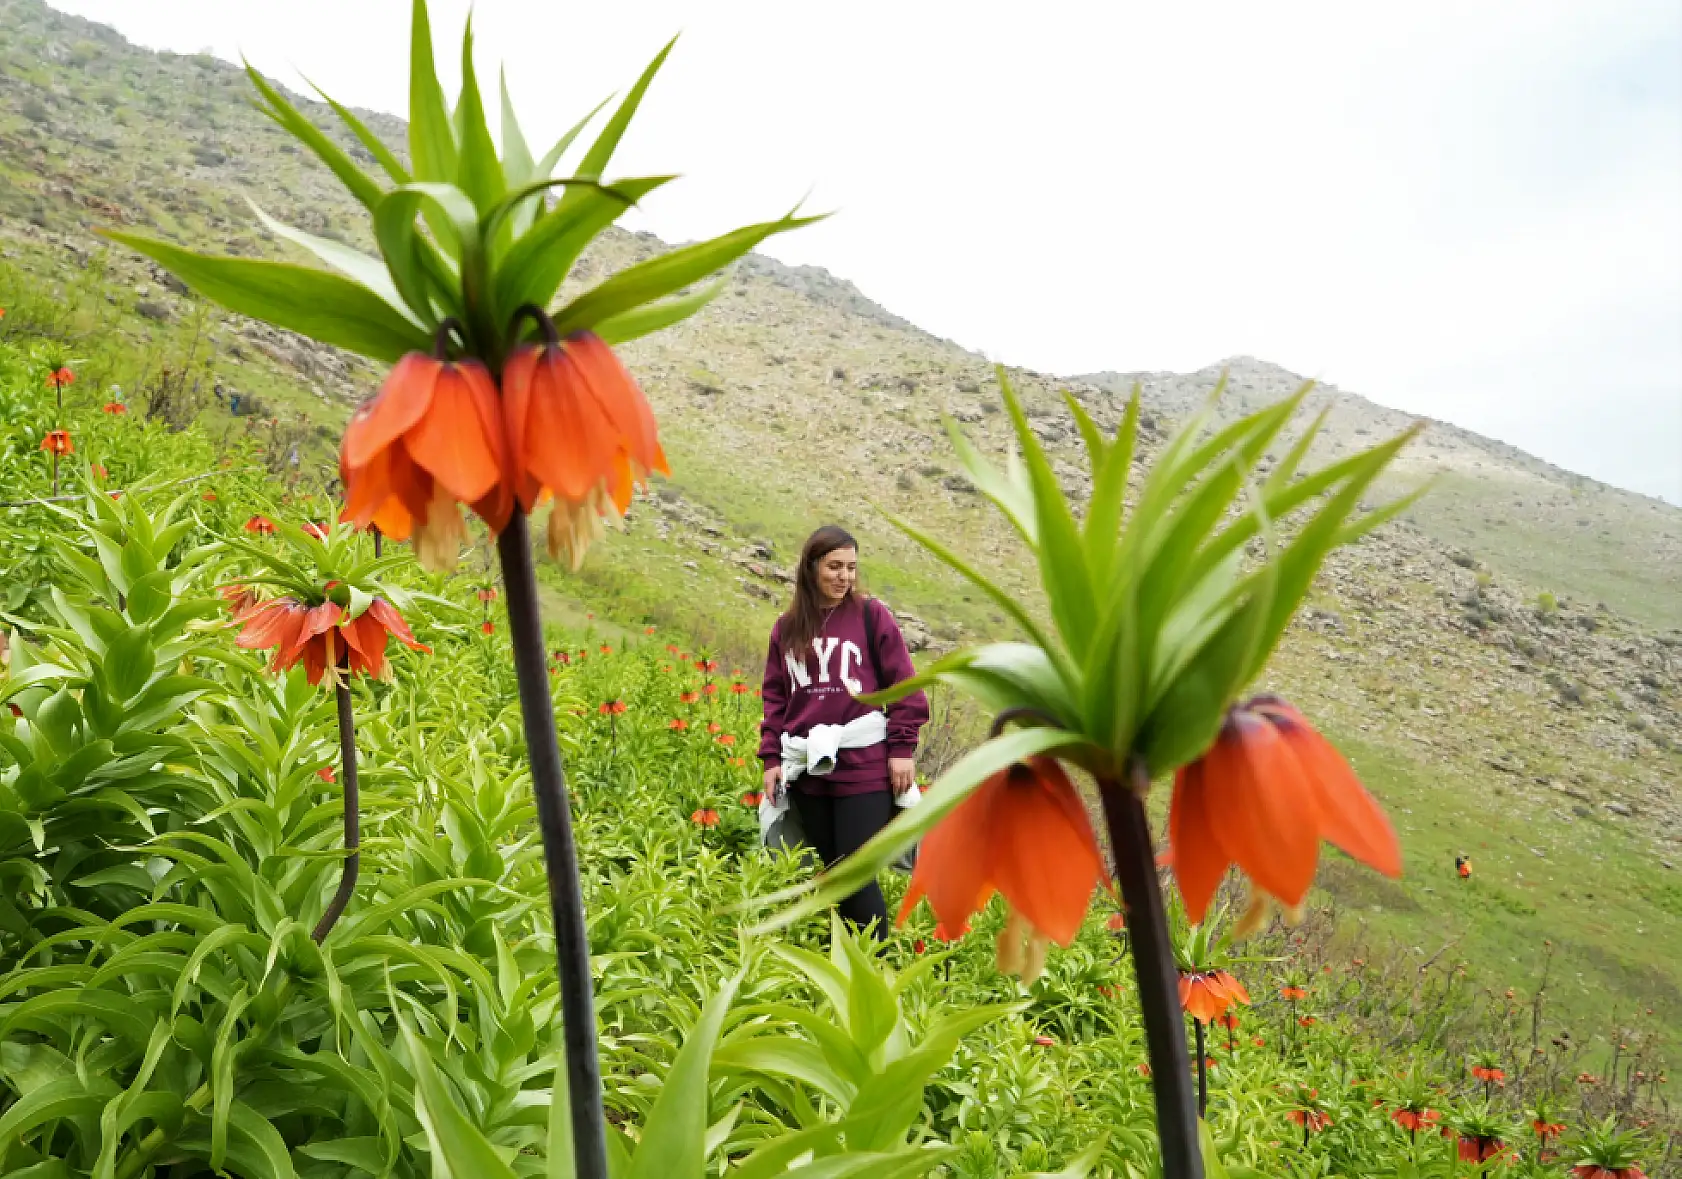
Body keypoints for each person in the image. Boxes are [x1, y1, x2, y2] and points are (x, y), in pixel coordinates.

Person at [758, 525, 929, 935]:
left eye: (851, 568)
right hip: (807, 768)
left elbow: (904, 685)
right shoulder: (787, 628)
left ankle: (879, 966)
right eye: (834, 566)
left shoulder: (871, 616)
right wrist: (771, 759)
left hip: (862, 763)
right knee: (835, 874)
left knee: (855, 871)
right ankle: (849, 966)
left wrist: (902, 748)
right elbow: (776, 698)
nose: (844, 577)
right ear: (811, 567)